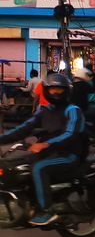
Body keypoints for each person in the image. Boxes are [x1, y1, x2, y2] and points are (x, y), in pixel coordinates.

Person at [0, 73, 87, 226]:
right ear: (46, 90)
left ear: (66, 91)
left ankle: (47, 210)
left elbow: (70, 134)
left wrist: (46, 144)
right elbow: (24, 128)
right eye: (52, 89)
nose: (55, 92)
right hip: (50, 153)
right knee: (17, 167)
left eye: (59, 89)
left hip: (70, 155)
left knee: (39, 168)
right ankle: (26, 204)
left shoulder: (73, 110)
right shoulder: (44, 110)